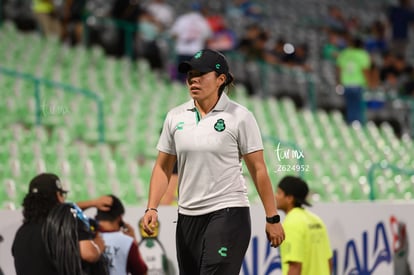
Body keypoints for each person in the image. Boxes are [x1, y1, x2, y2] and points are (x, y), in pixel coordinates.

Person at [142, 49, 285, 274]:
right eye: (190, 74)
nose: (193, 80)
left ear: (221, 79)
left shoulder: (240, 117)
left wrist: (272, 217)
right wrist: (152, 207)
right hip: (187, 217)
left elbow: (258, 169)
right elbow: (163, 167)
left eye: (201, 74)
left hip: (228, 212)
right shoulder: (175, 117)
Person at [11, 172, 112, 275]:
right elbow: (89, 254)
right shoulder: (64, 225)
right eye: (62, 195)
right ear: (58, 195)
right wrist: (99, 244)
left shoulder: (21, 233)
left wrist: (93, 203)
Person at [275, 176, 333, 275]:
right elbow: (329, 261)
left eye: (279, 193)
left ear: (289, 198)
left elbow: (295, 266)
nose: (275, 196)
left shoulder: (291, 222)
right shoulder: (317, 221)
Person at [96, 194, 148, 275]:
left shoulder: (87, 238)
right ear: (120, 218)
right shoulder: (127, 242)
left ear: (96, 216)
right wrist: (133, 241)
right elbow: (141, 272)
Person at [336, 35, 372, 124]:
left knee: (349, 105)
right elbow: (365, 70)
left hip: (346, 84)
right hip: (358, 84)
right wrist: (369, 82)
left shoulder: (344, 53)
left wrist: (338, 81)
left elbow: (339, 69)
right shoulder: (363, 54)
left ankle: (350, 123)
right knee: (358, 106)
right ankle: (357, 124)